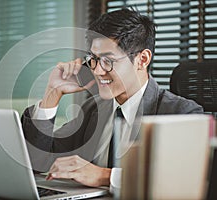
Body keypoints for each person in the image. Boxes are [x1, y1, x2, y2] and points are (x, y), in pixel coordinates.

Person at [21, 7, 203, 191]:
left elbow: (182, 181)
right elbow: (39, 161)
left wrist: (105, 176)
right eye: (93, 58)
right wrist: (53, 92)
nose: (97, 71)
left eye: (108, 60)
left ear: (142, 59)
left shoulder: (182, 114)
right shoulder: (93, 109)